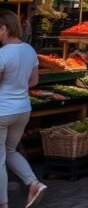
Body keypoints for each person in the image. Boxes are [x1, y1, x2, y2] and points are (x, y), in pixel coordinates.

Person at [0, 11, 46, 208]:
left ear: (3, 29)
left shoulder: (2, 53)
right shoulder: (29, 50)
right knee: (10, 150)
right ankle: (33, 183)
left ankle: (3, 203)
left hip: (2, 110)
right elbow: (34, 81)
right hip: (23, 109)